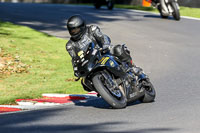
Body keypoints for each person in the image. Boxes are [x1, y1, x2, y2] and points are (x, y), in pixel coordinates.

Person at [66, 15, 147, 80]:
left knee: (118, 49)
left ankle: (133, 68)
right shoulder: (70, 45)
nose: (74, 32)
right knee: (85, 83)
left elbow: (103, 37)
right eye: (72, 31)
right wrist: (75, 69)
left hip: (103, 52)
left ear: (82, 26)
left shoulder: (92, 29)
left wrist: (105, 46)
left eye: (76, 30)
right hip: (90, 63)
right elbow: (74, 59)